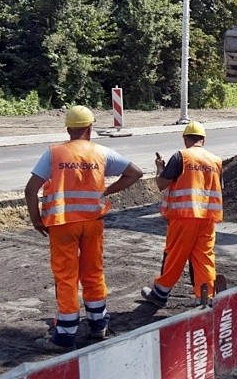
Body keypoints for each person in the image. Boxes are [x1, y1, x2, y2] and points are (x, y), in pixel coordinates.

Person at [25, 105, 143, 351]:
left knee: (66, 276)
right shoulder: (101, 153)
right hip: (92, 222)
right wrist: (107, 190)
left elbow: (31, 189)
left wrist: (36, 220)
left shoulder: (54, 153)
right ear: (90, 129)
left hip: (62, 224)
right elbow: (135, 173)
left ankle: (65, 335)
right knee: (93, 272)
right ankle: (98, 325)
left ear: (68, 129)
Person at [142, 121, 223, 311]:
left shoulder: (182, 156)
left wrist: (160, 167)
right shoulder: (216, 161)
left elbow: (162, 183)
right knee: (204, 258)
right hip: (208, 218)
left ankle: (159, 294)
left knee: (175, 255)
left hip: (184, 216)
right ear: (203, 140)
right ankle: (205, 299)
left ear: (186, 139)